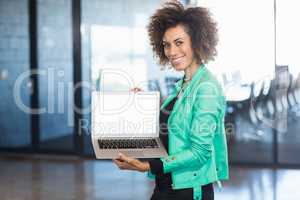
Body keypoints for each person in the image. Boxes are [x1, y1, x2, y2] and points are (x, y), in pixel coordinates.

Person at [113, 1, 229, 199]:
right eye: (166, 45)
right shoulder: (185, 83)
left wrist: (148, 166)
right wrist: (148, 105)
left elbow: (199, 152)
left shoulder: (207, 87)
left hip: (188, 191)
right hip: (167, 184)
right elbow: (177, 120)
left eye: (179, 42)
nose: (172, 52)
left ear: (197, 41)